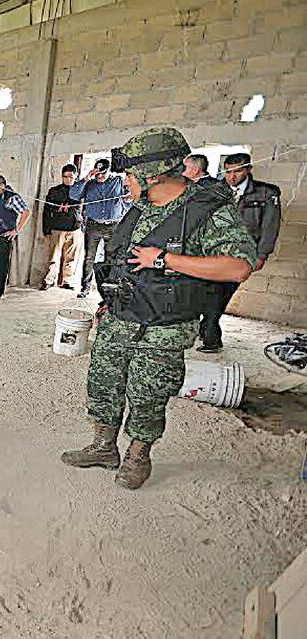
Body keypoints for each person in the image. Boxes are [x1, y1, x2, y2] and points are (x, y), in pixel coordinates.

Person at [60, 128, 256, 490]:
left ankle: (138, 455)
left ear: (150, 176)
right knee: (103, 382)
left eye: (128, 177)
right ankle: (105, 447)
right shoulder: (140, 208)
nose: (125, 183)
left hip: (165, 324)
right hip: (121, 314)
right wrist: (108, 300)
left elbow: (239, 265)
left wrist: (164, 260)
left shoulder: (206, 209)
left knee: (148, 392)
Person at [197, 152, 282, 353]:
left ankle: (211, 336)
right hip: (211, 253)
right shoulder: (215, 191)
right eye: (228, 172)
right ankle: (207, 331)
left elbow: (270, 227)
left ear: (249, 169)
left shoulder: (265, 193)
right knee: (208, 292)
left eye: (238, 171)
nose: (232, 176)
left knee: (221, 293)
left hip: (240, 256)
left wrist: (262, 255)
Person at [70, 158, 132, 298]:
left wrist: (127, 202)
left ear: (109, 171)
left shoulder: (118, 181)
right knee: (89, 257)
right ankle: (85, 288)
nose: (100, 176)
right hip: (93, 225)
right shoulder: (89, 183)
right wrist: (86, 178)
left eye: (103, 173)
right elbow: (73, 195)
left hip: (114, 226)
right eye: (97, 173)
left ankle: (109, 288)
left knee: (112, 257)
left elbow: (130, 197)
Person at [39, 164, 83, 291]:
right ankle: (49, 280)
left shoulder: (80, 191)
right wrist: (46, 229)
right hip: (57, 228)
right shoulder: (54, 191)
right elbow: (47, 210)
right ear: (62, 177)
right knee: (54, 256)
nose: (68, 179)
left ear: (76, 176)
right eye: (65, 177)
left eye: (71, 177)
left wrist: (82, 225)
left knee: (71, 257)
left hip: (75, 228)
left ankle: (66, 281)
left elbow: (82, 209)